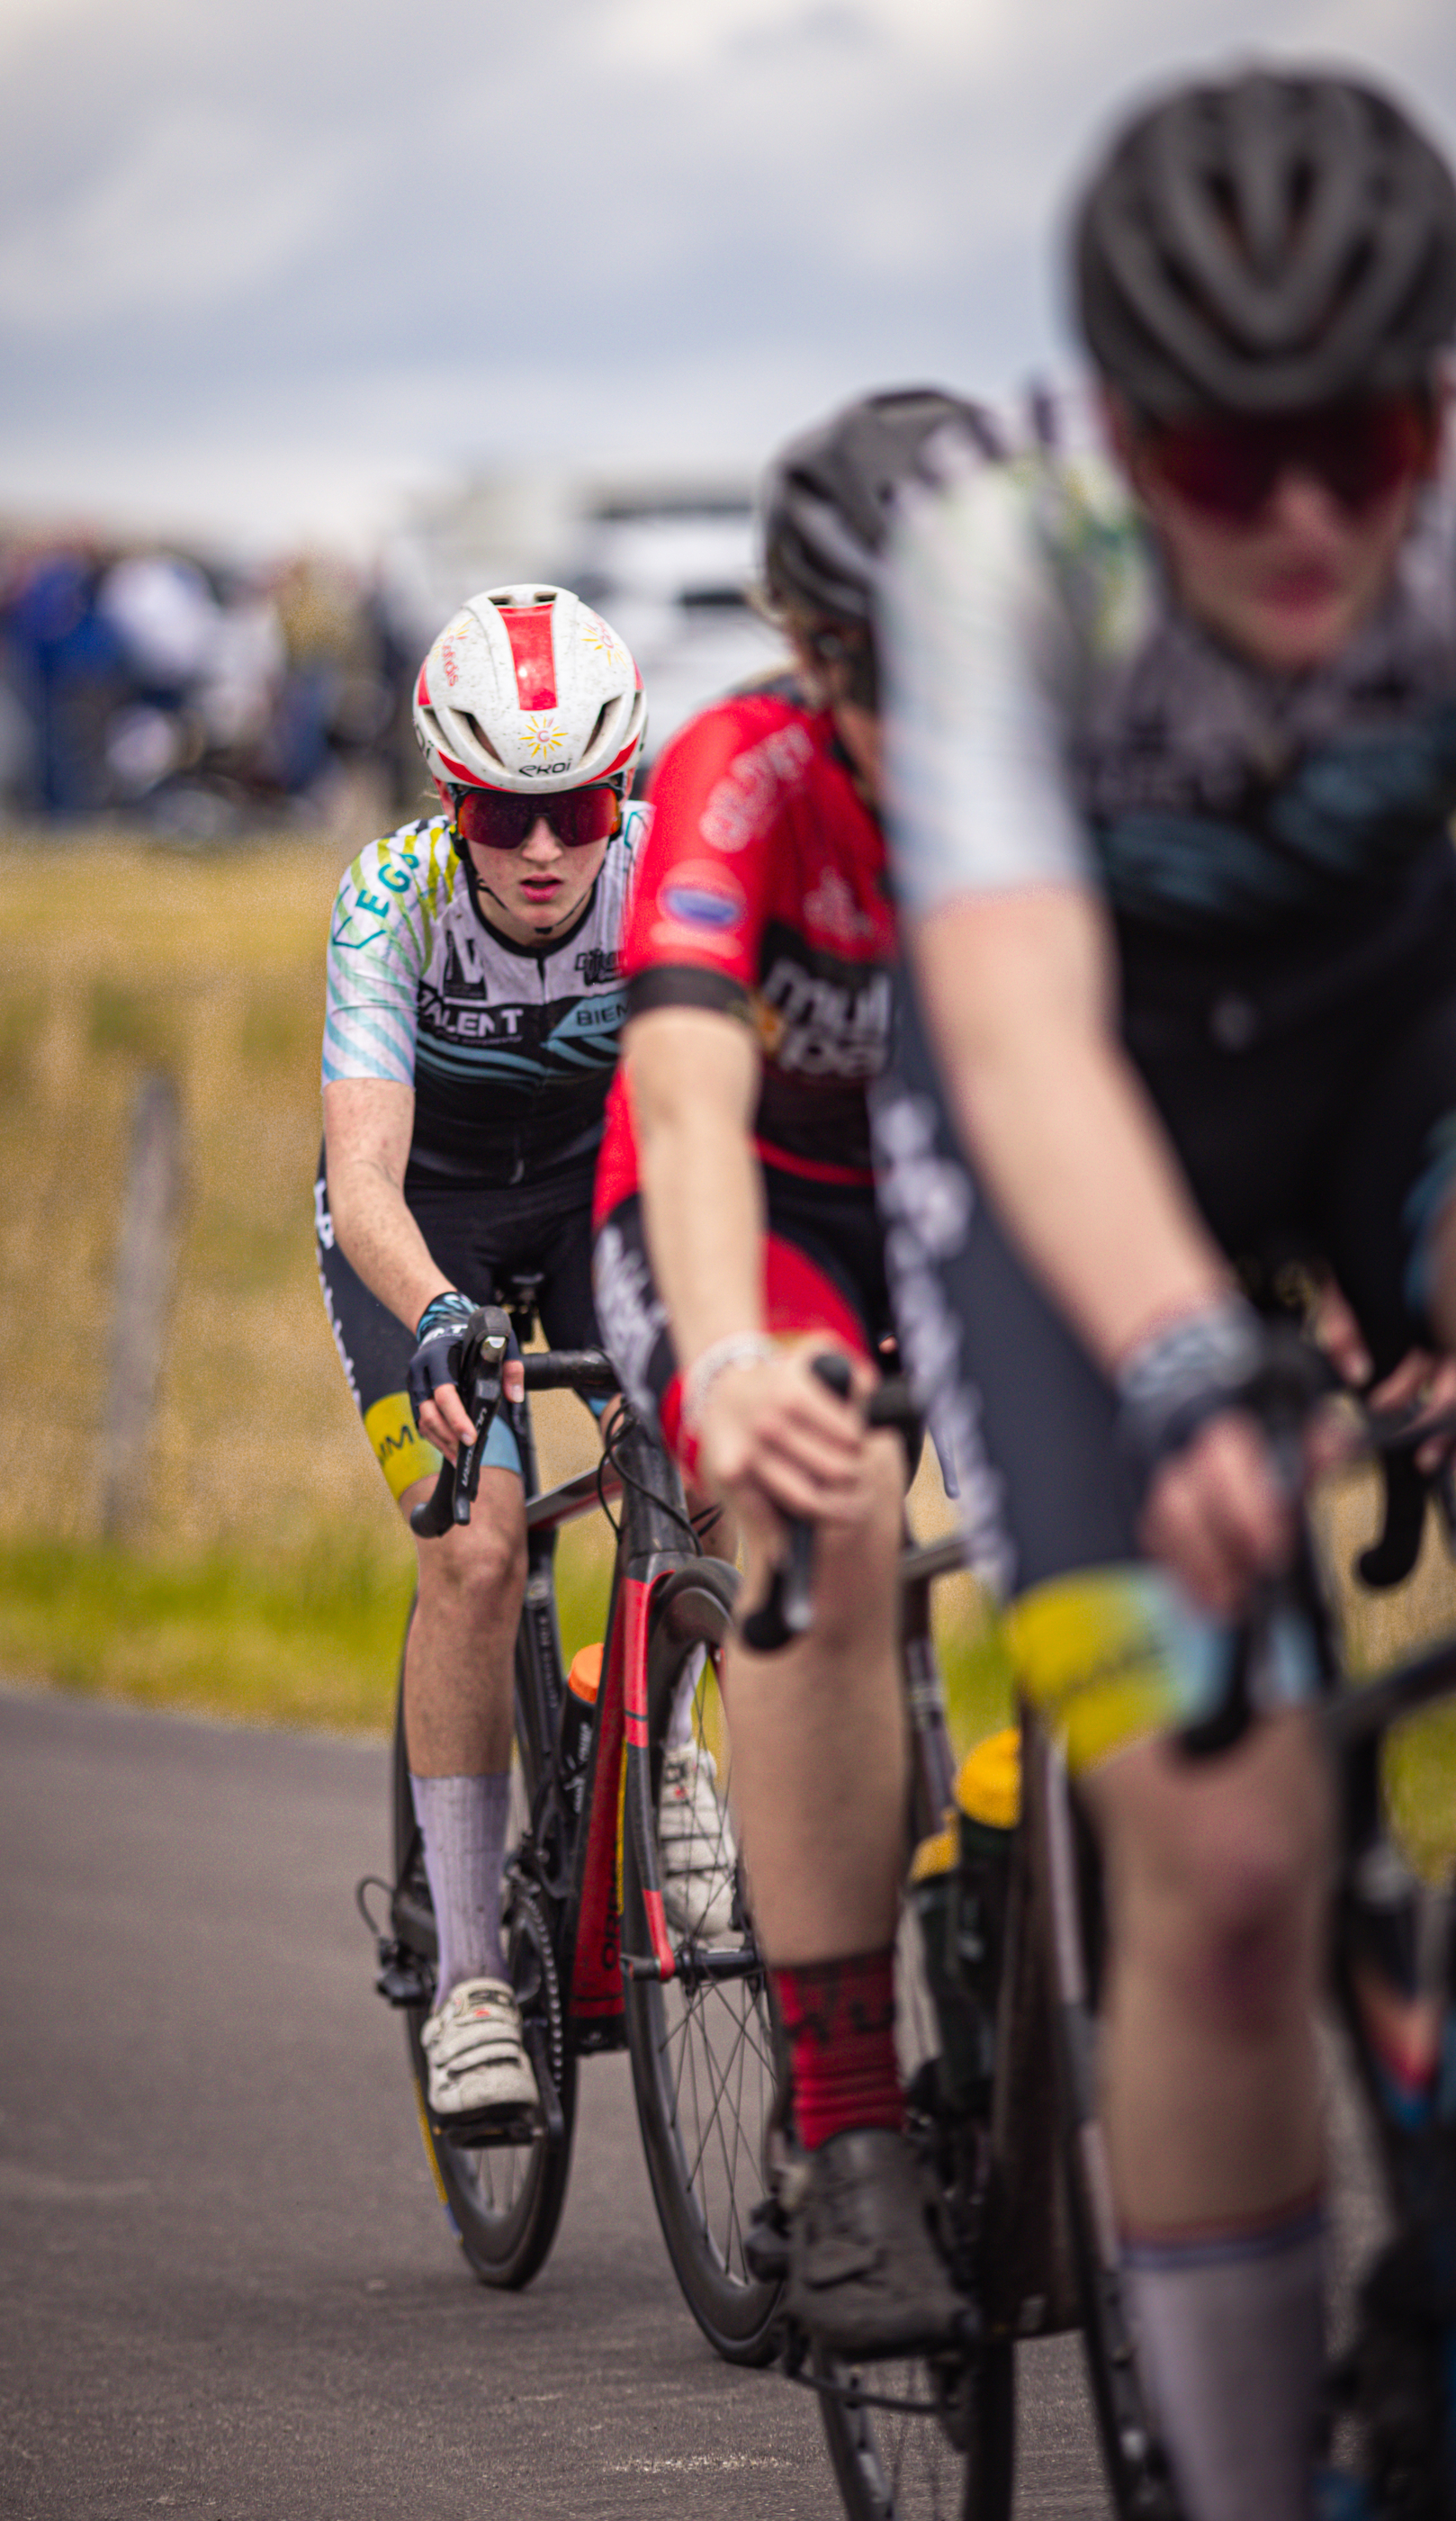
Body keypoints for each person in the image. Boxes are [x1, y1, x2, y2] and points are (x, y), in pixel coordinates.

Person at [874, 64, 1456, 2521]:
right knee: (1220, 1864)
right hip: (1077, 1136)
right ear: (1124, 432)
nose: (1314, 515)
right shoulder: (1005, 562)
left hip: (1386, 1071)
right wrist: (1192, 1352)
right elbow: (1015, 1030)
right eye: (1236, 461)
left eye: (1370, 436)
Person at [591, 391, 981, 2357]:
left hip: (961, 1203)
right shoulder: (738, 774)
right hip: (749, 1211)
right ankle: (843, 2150)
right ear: (820, 662)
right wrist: (733, 1350)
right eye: (909, 683)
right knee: (816, 1506)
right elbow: (678, 1081)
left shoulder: (1068, 772)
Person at [318, 582, 651, 2127]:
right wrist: (443, 1308)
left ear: (621, 792)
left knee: (711, 1445)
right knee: (478, 1545)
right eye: (498, 812)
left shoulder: (666, 881)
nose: (538, 850)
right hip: (427, 1217)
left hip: (598, 1183)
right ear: (449, 800)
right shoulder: (387, 903)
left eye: (574, 807)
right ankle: (466, 1982)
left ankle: (675, 1754)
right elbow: (366, 1179)